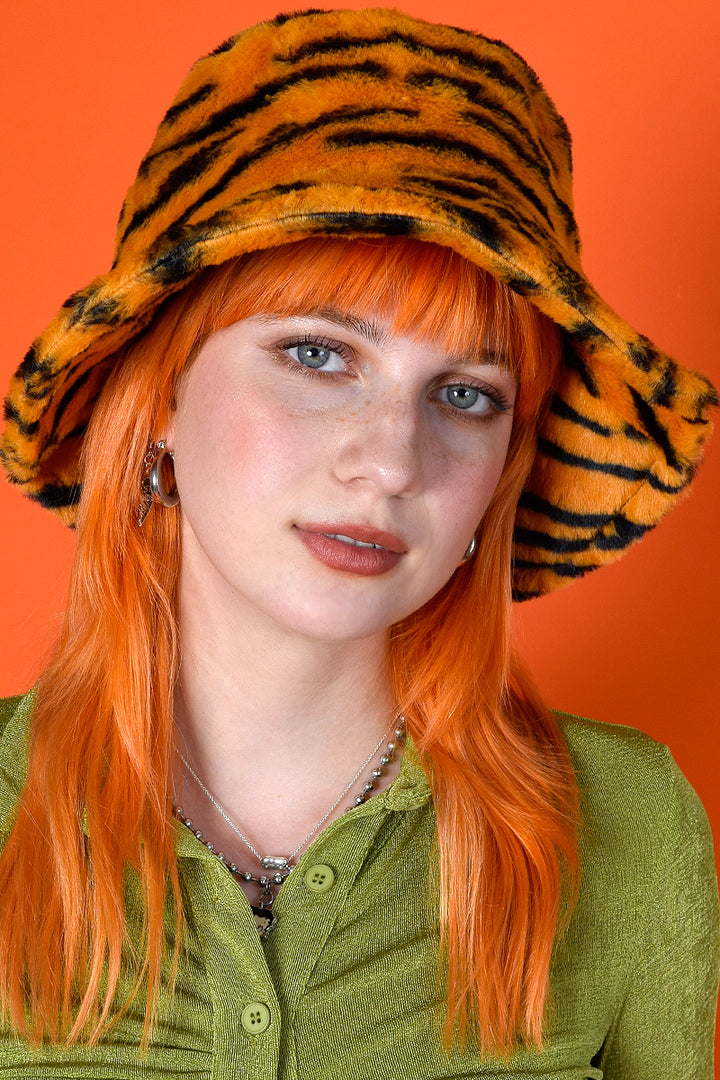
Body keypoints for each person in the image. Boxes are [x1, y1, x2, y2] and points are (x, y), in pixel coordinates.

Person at [0, 7, 717, 1077]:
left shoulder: (628, 826)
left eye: (466, 394)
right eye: (318, 355)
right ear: (159, 397)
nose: (390, 462)